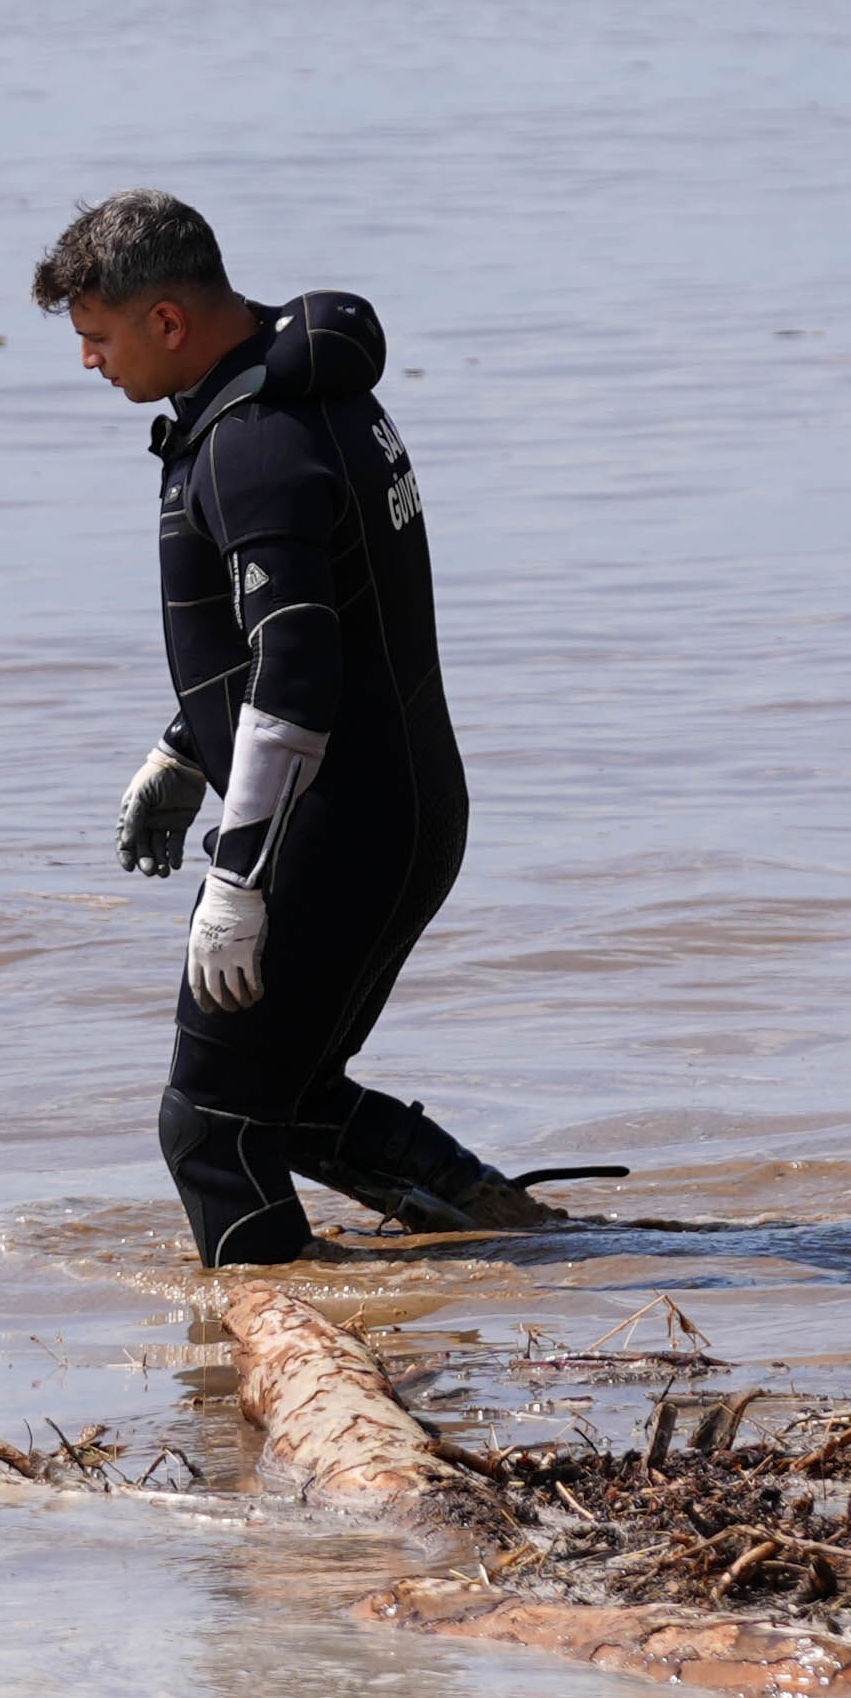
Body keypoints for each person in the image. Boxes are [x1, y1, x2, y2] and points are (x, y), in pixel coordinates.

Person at [33, 190, 562, 1262]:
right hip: (402, 804)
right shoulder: (308, 386)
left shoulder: (254, 445)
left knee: (213, 1126)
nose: (88, 362)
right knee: (289, 1090)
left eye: (96, 337)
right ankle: (526, 1247)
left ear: (167, 321)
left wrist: (237, 880)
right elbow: (330, 625)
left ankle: (271, 1343)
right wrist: (188, 749)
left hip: (339, 826)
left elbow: (300, 671)